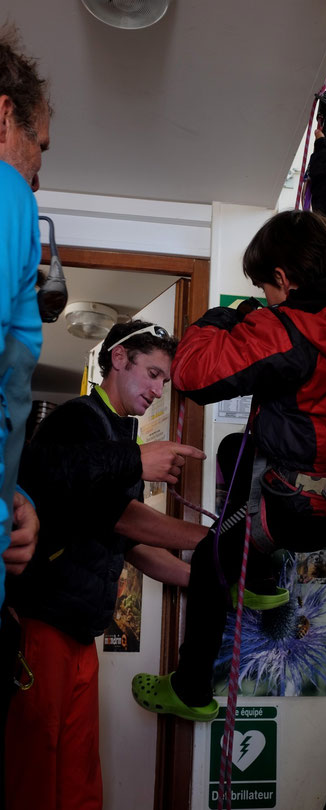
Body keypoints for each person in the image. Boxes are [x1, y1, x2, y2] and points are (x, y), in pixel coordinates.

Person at [132, 129, 326, 722]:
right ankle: (263, 580)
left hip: (296, 508)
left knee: (205, 565)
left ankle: (193, 689)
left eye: (265, 288)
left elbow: (195, 374)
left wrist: (225, 314)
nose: (265, 298)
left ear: (285, 277)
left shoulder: (287, 332)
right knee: (233, 448)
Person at [4, 321, 207, 810]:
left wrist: (209, 575)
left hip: (80, 633)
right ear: (119, 359)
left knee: (78, 770)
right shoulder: (77, 418)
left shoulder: (121, 435)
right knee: (35, 768)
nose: (158, 391)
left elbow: (127, 538)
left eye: (165, 381)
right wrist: (213, 538)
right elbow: (58, 479)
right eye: (153, 374)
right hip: (40, 626)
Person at [0, 23, 52, 615]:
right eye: (39, 143)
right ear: (4, 117)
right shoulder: (8, 193)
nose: (37, 170)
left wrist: (14, 496)